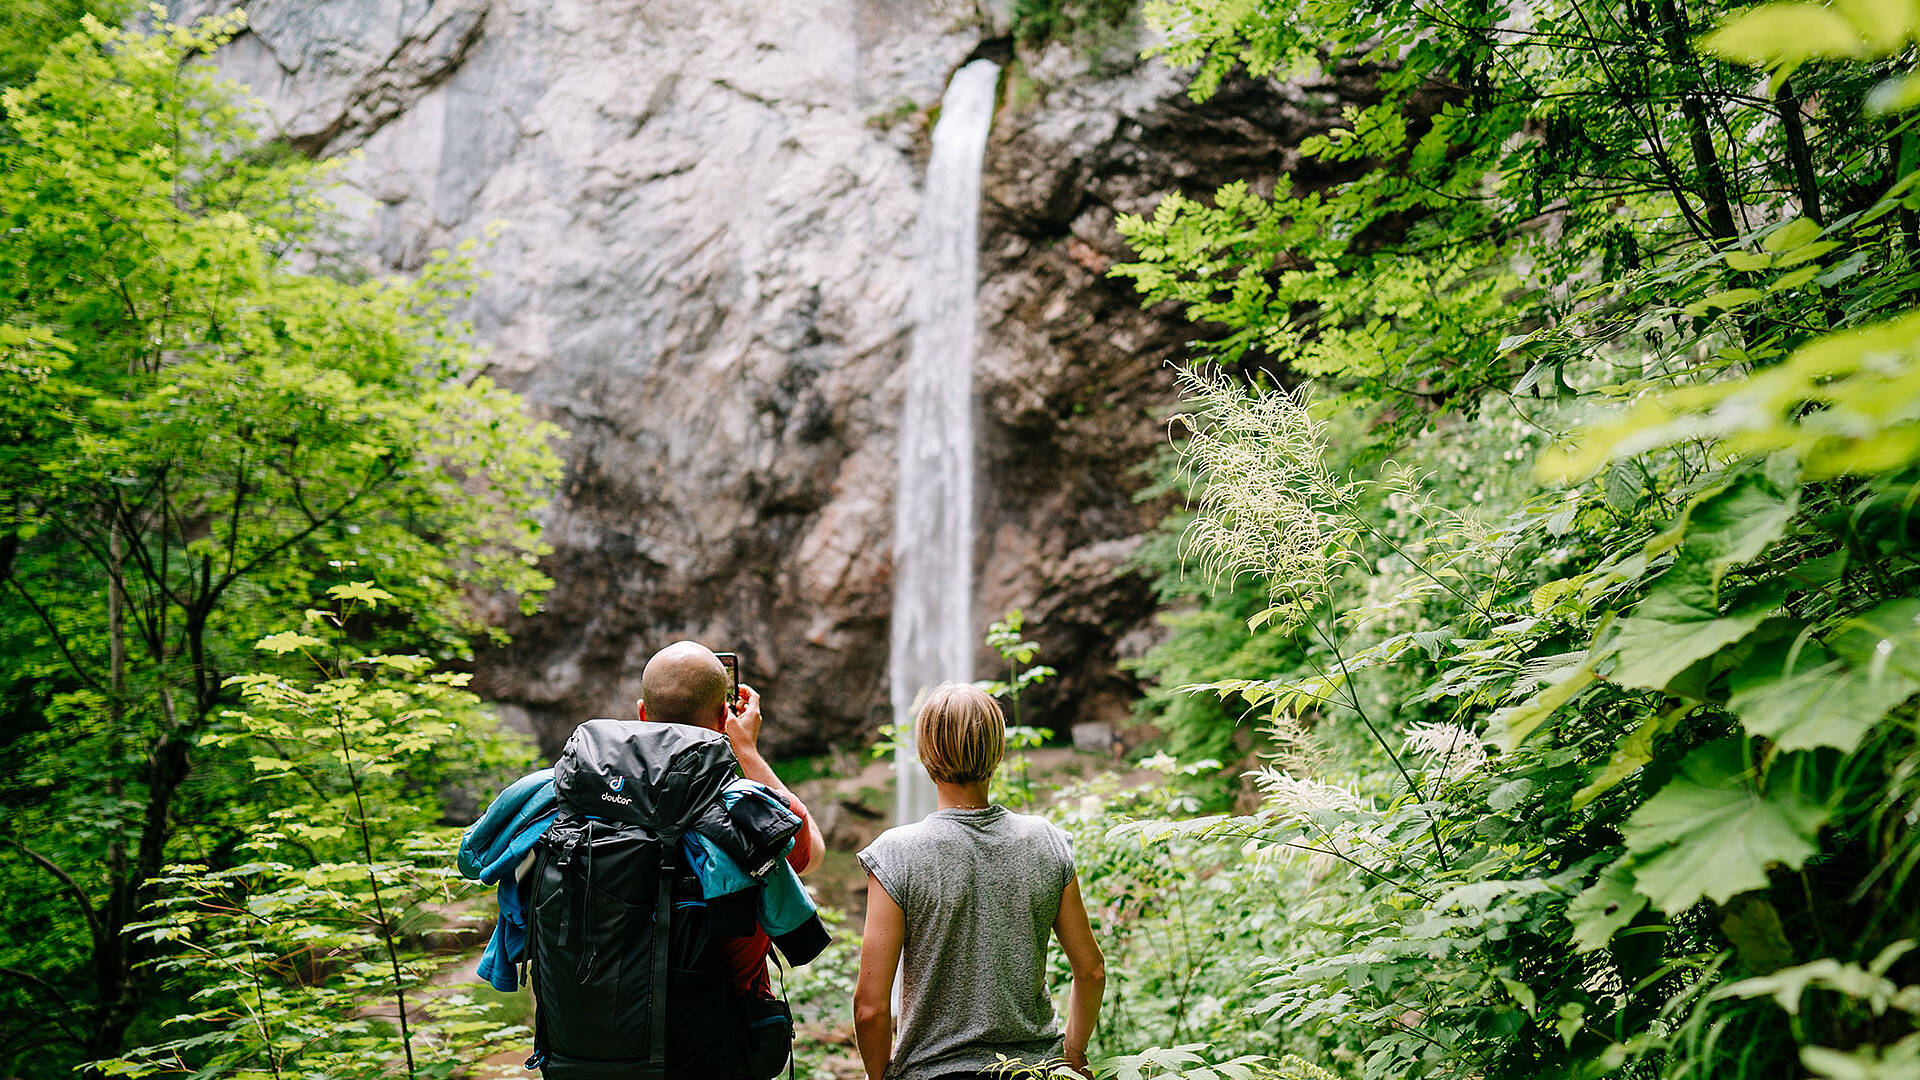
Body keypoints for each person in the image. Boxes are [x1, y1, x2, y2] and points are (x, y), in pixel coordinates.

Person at [853, 682, 1106, 1080]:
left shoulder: (896, 854)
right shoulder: (1046, 842)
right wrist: (1072, 1052)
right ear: (999, 751)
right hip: (1037, 1070)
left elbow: (870, 1007)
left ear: (923, 754)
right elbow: (1090, 971)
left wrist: (877, 1076)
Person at [637, 640, 827, 994]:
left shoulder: (591, 798)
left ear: (643, 714)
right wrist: (745, 749)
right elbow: (812, 852)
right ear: (724, 717)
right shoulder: (753, 813)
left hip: (603, 1034)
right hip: (722, 1039)